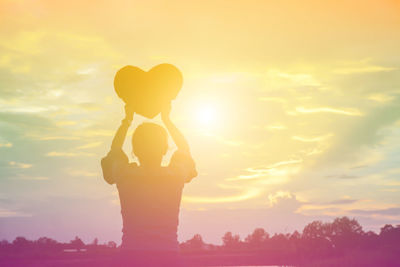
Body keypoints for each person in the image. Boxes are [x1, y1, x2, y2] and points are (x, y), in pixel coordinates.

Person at [101, 104, 197, 266]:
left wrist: (127, 120)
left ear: (135, 150)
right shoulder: (175, 174)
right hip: (168, 257)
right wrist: (167, 120)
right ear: (165, 149)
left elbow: (115, 150)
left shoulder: (126, 174)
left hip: (131, 256)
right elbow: (184, 149)